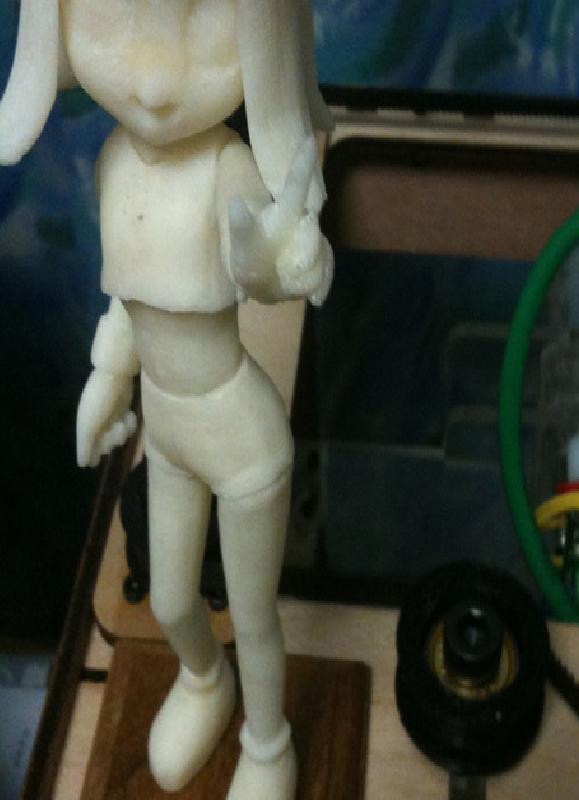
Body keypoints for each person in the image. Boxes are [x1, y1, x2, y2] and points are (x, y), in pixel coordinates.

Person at [0, 2, 333, 798]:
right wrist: (106, 378)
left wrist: (289, 261)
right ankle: (202, 680)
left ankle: (268, 744)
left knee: (252, 614)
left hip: (241, 437)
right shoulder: (114, 164)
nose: (153, 85)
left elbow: (268, 266)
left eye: (208, 33)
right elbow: (128, 300)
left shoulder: (225, 165)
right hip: (168, 427)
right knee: (174, 600)